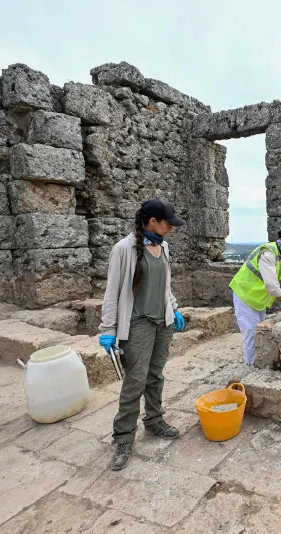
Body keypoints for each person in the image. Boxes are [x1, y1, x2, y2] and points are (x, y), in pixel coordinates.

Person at [98, 198, 187, 472]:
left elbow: (164, 286)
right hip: (137, 324)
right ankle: (123, 437)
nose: (171, 228)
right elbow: (113, 291)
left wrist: (174, 308)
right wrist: (108, 330)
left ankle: (154, 420)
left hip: (163, 322)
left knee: (155, 374)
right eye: (167, 223)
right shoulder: (123, 249)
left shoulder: (164, 247)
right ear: (152, 222)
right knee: (134, 381)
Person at [229, 224, 281, 366]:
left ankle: (258, 362)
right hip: (245, 295)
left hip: (257, 299)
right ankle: (249, 366)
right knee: (250, 334)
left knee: (260, 331)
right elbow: (271, 285)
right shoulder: (268, 253)